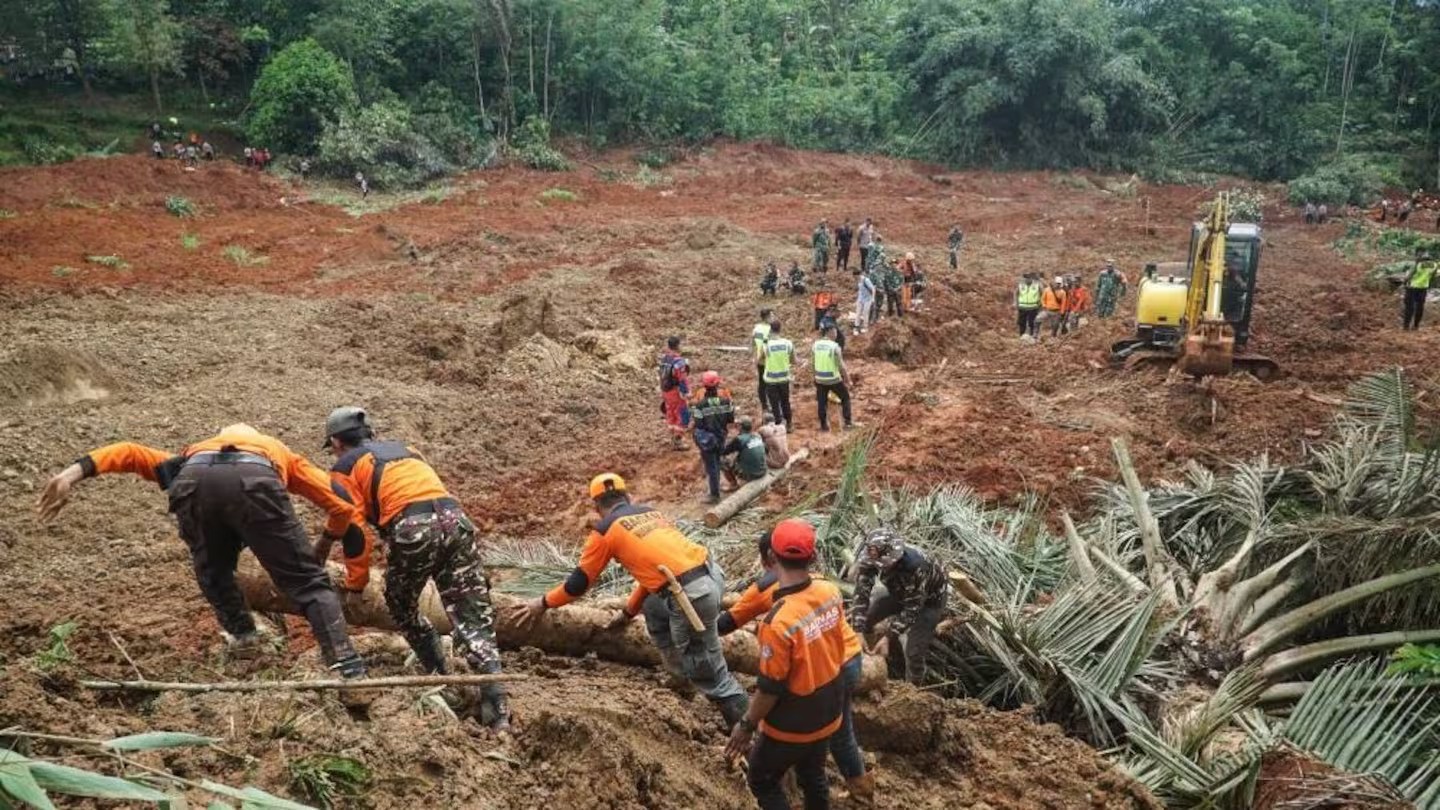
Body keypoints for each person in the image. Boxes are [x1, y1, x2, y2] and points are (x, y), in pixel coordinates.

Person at [36, 425, 372, 696]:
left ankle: (245, 643)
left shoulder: (191, 455)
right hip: (256, 481)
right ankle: (347, 668)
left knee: (215, 572)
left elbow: (128, 451)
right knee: (309, 584)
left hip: (193, 481)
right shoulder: (278, 453)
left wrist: (70, 475)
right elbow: (341, 503)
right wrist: (338, 552)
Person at [320, 408, 510, 729]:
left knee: (401, 603)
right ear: (371, 434)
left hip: (413, 526)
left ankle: (440, 674)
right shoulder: (408, 450)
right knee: (472, 614)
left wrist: (356, 583)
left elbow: (354, 531)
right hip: (456, 520)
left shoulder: (343, 468)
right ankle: (496, 702)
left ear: (336, 442)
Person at [521, 474, 749, 726]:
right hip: (709, 576)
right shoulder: (651, 513)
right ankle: (679, 678)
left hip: (691, 597)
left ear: (597, 506)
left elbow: (578, 585)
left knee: (711, 672)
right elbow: (656, 575)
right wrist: (629, 612)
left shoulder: (606, 530)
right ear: (627, 496)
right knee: (653, 607)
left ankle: (747, 735)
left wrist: (542, 603)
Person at [718, 522, 873, 804]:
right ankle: (857, 791)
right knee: (813, 773)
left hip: (795, 720)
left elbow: (770, 689)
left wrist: (746, 725)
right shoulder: (830, 592)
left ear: (772, 558)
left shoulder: (777, 623)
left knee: (762, 780)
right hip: (830, 706)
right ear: (812, 557)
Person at [850, 527, 948, 684]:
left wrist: (889, 636)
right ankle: (869, 656)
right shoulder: (870, 556)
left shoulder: (916, 566)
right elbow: (861, 594)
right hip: (896, 590)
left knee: (914, 651)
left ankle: (912, 690)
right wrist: (858, 630)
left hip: (929, 601)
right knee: (867, 618)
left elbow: (912, 609)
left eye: (884, 564)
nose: (880, 568)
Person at [692, 371, 736, 503]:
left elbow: (698, 424)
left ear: (704, 386)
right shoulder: (726, 402)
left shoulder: (699, 405)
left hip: (708, 440)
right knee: (720, 460)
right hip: (721, 436)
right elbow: (730, 419)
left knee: (712, 467)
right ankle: (731, 482)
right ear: (718, 384)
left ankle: (714, 495)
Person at [813, 325, 854, 432]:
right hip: (833, 378)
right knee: (845, 398)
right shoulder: (834, 346)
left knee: (822, 402)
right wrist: (848, 380)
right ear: (830, 332)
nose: (836, 334)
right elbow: (842, 366)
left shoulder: (815, 345)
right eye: (835, 332)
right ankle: (848, 423)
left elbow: (813, 362)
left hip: (820, 378)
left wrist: (814, 377)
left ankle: (823, 426)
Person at [658, 336, 691, 450]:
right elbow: (682, 379)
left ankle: (672, 437)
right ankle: (678, 441)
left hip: (665, 391)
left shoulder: (664, 359)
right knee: (681, 414)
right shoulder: (679, 362)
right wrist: (685, 392)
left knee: (670, 413)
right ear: (678, 345)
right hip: (675, 392)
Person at [761, 322, 795, 431]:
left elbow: (760, 359)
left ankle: (779, 425)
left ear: (770, 330)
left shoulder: (766, 345)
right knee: (785, 401)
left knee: (774, 403)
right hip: (784, 378)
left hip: (771, 379)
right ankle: (789, 424)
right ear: (780, 329)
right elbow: (793, 360)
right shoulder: (788, 343)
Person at [721, 416, 769, 490]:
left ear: (741, 427)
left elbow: (724, 451)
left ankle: (733, 484)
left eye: (738, 425)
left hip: (752, 475)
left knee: (722, 461)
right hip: (763, 470)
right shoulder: (757, 435)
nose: (736, 427)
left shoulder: (739, 440)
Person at [1402, 247, 1436, 330]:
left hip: (1412, 287)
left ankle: (1406, 327)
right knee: (1420, 307)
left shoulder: (1417, 264)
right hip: (1423, 287)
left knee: (1409, 307)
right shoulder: (1434, 264)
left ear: (1418, 254)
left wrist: (1404, 282)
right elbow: (1433, 276)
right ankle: (1416, 326)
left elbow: (1409, 276)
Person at [751, 309, 773, 409]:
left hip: (761, 359)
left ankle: (764, 403)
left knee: (762, 381)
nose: (773, 318)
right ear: (767, 317)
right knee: (767, 381)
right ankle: (767, 402)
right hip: (767, 359)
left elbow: (754, 343)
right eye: (772, 316)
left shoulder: (756, 328)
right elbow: (761, 344)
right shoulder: (767, 329)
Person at [1016, 272, 1042, 339]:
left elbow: (1042, 294)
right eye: (1026, 278)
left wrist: (1040, 303)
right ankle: (1021, 335)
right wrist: (1016, 303)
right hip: (1022, 307)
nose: (1027, 279)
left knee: (1032, 323)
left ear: (1031, 278)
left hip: (1033, 307)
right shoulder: (1021, 285)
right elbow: (1016, 293)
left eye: (1029, 278)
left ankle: (1032, 336)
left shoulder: (1037, 285)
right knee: (1022, 323)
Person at [854, 268, 876, 335]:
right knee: (858, 313)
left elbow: (873, 289)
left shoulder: (866, 280)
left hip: (867, 299)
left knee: (865, 313)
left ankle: (865, 327)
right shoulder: (858, 281)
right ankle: (856, 327)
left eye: (856, 276)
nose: (855, 277)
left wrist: (873, 298)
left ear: (859, 275)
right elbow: (860, 290)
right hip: (860, 299)